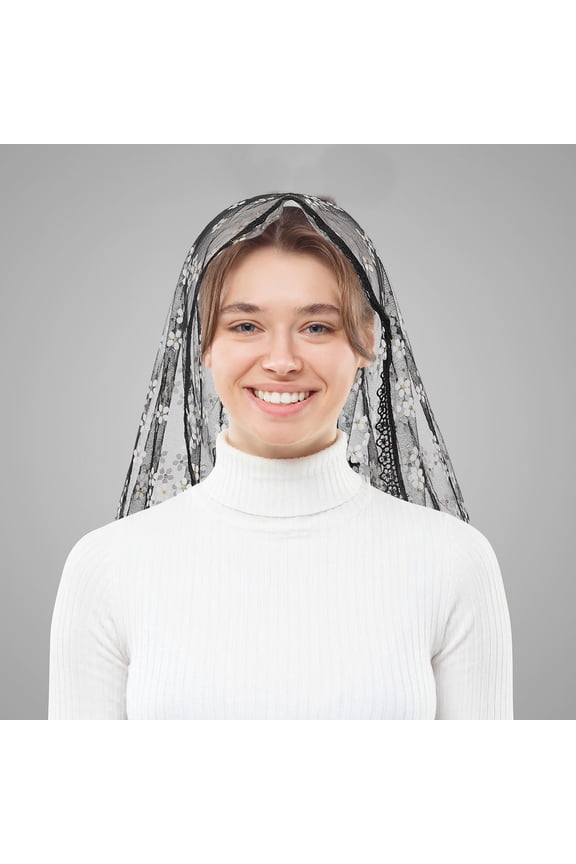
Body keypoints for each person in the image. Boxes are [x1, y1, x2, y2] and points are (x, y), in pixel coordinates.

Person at [48, 192, 514, 719]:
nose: (282, 361)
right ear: (204, 344)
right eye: (246, 326)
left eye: (317, 327)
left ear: (365, 341)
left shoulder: (454, 561)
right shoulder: (106, 566)